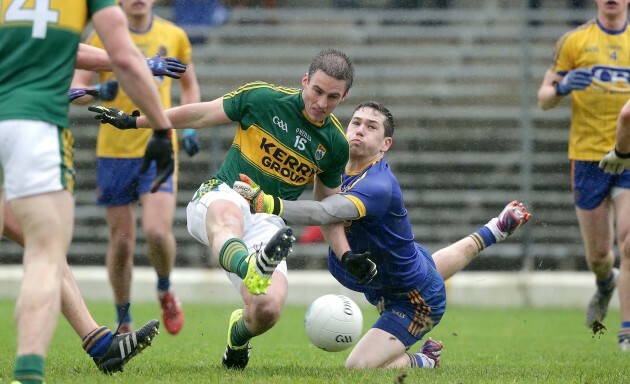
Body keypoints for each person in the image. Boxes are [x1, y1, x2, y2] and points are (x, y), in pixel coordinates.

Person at [88, 48, 356, 369]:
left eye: (333, 97)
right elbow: (200, 114)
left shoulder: (336, 145)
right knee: (228, 218)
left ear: (345, 96)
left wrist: (347, 255)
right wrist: (137, 122)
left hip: (267, 221)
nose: (322, 103)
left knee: (267, 309)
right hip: (221, 194)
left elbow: (326, 210)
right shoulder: (261, 98)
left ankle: (238, 337)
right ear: (305, 80)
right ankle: (251, 269)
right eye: (317, 91)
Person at [233, 101, 531, 368]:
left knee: (358, 366)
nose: (360, 130)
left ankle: (423, 360)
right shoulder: (336, 165)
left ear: (385, 143)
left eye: (371, 127)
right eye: (356, 123)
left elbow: (325, 213)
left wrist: (267, 203)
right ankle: (496, 228)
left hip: (412, 302)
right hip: (405, 268)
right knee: (426, 267)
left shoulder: (377, 185)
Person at [0, 0, 176, 382]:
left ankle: (99, 342)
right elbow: (121, 56)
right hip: (33, 126)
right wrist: (161, 128)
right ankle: (28, 375)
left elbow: (69, 49)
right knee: (45, 253)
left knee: (27, 235)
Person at [71, 0, 201, 336]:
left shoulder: (174, 35)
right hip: (114, 150)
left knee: (157, 231)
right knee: (123, 241)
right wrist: (97, 90)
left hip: (158, 144)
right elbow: (77, 87)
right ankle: (123, 317)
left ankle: (165, 288)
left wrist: (188, 129)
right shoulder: (100, 34)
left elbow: (188, 84)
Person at [536, 0, 630, 351]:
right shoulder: (574, 41)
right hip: (588, 159)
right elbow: (543, 99)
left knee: (629, 241)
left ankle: (627, 332)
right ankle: (605, 283)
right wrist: (561, 88)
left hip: (628, 156)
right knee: (600, 256)